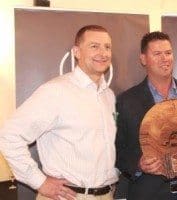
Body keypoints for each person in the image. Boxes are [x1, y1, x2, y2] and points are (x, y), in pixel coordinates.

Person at [0, 25, 118, 200]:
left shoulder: (107, 95)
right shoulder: (56, 91)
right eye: (94, 46)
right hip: (68, 196)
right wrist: (39, 182)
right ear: (76, 52)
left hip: (106, 194)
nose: (103, 53)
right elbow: (9, 135)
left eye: (107, 47)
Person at [115, 31, 177, 200]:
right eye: (157, 54)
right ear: (143, 59)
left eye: (168, 53)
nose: (164, 58)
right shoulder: (126, 101)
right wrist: (138, 164)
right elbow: (117, 149)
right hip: (148, 192)